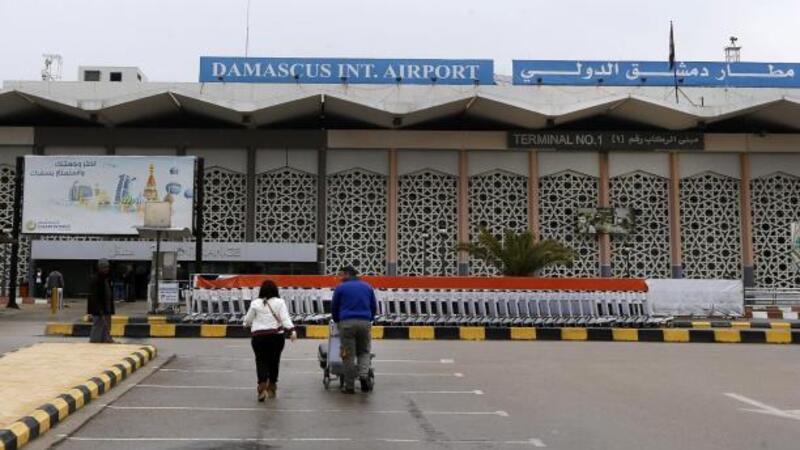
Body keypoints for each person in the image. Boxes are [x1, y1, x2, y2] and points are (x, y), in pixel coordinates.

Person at [243, 279, 297, 401]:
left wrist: (245, 324)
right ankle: (272, 386)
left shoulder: (255, 303)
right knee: (274, 361)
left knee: (260, 360)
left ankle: (262, 386)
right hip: (276, 337)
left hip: (259, 337)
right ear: (275, 290)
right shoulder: (280, 302)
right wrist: (292, 330)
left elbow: (248, 320)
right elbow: (285, 318)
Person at [331, 266, 377, 394]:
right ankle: (363, 377)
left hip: (346, 323)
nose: (340, 277)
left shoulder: (340, 288)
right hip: (365, 322)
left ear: (347, 274)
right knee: (364, 351)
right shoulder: (367, 287)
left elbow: (334, 306)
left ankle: (349, 386)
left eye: (341, 274)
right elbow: (373, 306)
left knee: (348, 355)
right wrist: (369, 319)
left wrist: (337, 320)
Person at [87, 259, 115, 343]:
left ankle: (106, 339)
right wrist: (99, 309)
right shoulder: (96, 279)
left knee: (106, 326)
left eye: (107, 267)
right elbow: (94, 297)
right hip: (99, 308)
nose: (106, 269)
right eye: (104, 267)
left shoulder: (107, 278)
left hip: (107, 307)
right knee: (98, 325)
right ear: (99, 268)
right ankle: (95, 341)